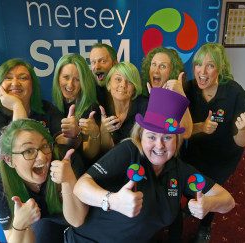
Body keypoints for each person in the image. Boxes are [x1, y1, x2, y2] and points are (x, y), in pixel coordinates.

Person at [64, 88, 235, 243]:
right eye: (152, 137)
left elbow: (228, 200)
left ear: (177, 140)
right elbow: (81, 186)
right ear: (140, 136)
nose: (159, 145)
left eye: (167, 137)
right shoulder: (129, 151)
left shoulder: (180, 171)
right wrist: (112, 200)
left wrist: (209, 204)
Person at [181, 43, 245, 242]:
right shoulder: (189, 89)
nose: (202, 71)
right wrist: (201, 126)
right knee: (189, 183)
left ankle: (205, 226)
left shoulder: (235, 94)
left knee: (210, 192)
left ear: (220, 68)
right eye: (199, 64)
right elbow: (183, 128)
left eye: (210, 65)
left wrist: (244, 130)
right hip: (195, 150)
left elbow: (241, 141)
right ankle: (190, 207)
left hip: (222, 157)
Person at [0, 119, 88, 243]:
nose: (42, 157)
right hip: (43, 233)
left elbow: (77, 220)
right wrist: (20, 225)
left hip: (79, 228)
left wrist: (68, 181)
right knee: (41, 227)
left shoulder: (66, 161)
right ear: (9, 160)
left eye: (45, 146)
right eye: (29, 151)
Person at [0, 58, 64, 165]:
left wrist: (74, 135)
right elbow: (15, 156)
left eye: (23, 78)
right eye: (8, 78)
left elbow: (63, 143)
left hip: (49, 173)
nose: (15, 83)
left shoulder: (46, 108)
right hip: (14, 180)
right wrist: (17, 105)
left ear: (32, 85)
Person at [52, 53, 101, 161]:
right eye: (66, 77)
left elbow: (89, 155)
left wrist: (93, 132)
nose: (70, 85)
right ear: (58, 78)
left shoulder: (91, 109)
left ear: (84, 82)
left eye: (77, 79)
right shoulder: (53, 105)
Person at [141, 47, 192, 139]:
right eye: (153, 64)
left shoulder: (178, 98)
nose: (156, 70)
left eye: (163, 66)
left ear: (172, 71)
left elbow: (185, 133)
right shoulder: (141, 97)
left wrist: (180, 95)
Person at [98, 61, 148, 152]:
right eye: (118, 79)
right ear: (109, 84)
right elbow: (106, 150)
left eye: (129, 81)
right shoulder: (102, 106)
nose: (123, 85)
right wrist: (104, 131)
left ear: (134, 88)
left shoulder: (145, 106)